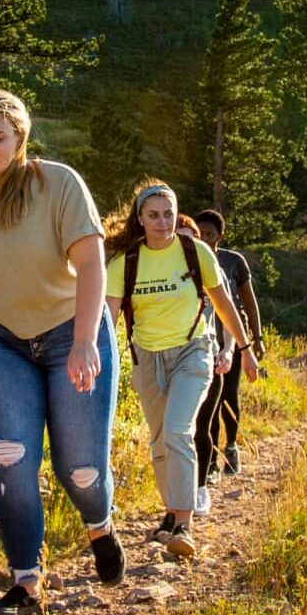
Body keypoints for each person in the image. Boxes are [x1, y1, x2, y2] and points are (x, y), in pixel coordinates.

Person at [0, 89, 124, 615]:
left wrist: (85, 340)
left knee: (79, 470)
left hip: (70, 333)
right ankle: (25, 582)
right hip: (2, 342)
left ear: (20, 137)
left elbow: (91, 263)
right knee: (10, 457)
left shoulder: (56, 183)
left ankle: (99, 524)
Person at [104, 182, 256, 557]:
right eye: (153, 215)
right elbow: (105, 321)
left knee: (177, 431)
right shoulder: (126, 263)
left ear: (176, 213)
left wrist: (245, 348)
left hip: (193, 351)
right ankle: (170, 514)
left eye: (168, 214)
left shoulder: (196, 252)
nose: (162, 222)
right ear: (139, 218)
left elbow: (224, 305)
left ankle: (184, 524)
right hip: (146, 357)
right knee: (159, 441)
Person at [193, 209, 266, 496]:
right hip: (204, 337)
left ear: (220, 236)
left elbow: (249, 300)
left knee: (228, 395)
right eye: (201, 234)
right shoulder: (188, 258)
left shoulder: (234, 262)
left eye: (210, 234)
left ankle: (232, 446)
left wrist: (255, 338)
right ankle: (210, 460)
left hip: (233, 336)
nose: (205, 239)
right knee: (206, 401)